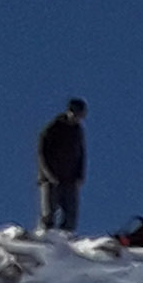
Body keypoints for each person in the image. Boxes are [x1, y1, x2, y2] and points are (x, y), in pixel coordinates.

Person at [36, 97, 87, 234]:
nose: (78, 118)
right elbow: (42, 154)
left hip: (70, 178)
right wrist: (49, 175)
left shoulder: (77, 131)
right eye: (76, 114)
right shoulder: (52, 129)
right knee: (49, 213)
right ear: (69, 112)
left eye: (81, 116)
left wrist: (80, 175)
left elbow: (81, 153)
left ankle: (65, 243)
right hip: (51, 178)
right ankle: (46, 240)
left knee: (70, 215)